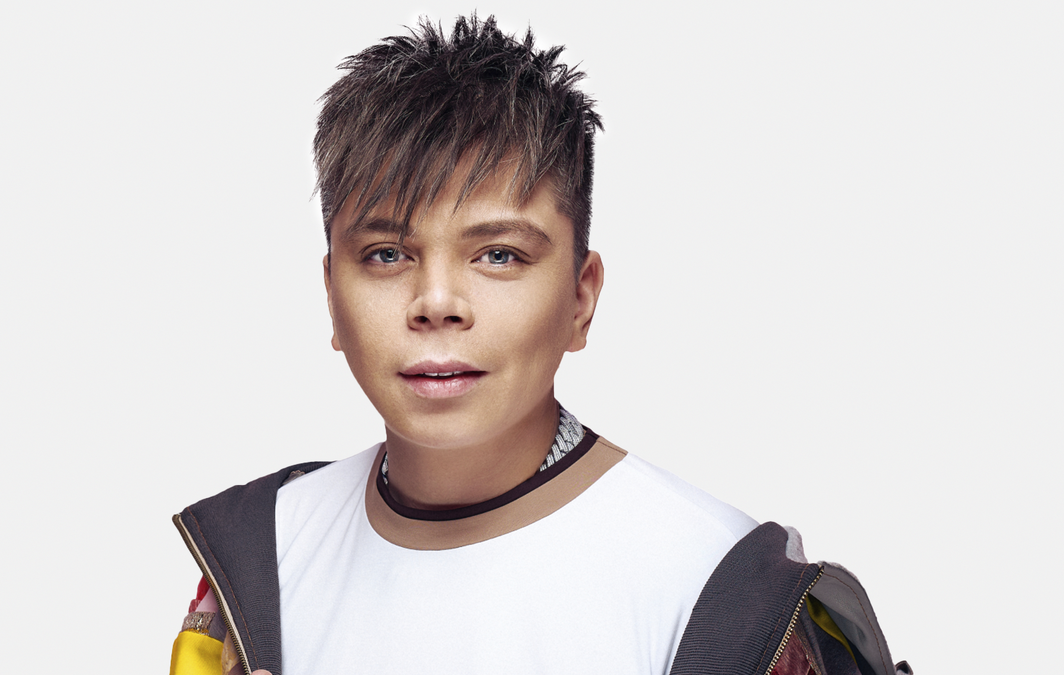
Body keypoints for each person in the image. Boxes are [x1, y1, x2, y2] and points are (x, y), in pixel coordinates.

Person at [168, 14, 905, 675]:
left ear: (581, 298)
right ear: (332, 294)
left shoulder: (719, 594)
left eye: (499, 255)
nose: (436, 302)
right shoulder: (261, 559)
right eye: (387, 254)